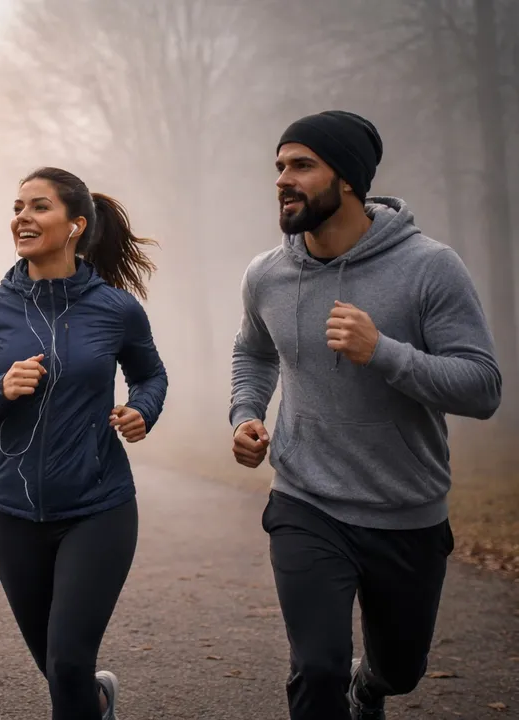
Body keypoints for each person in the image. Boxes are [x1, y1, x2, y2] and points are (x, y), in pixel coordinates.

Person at [229, 110, 502, 720]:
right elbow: (254, 351)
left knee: (400, 670)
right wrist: (245, 413)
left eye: (302, 165)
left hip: (405, 509)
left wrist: (383, 352)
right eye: (279, 166)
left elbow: (483, 387)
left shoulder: (430, 267)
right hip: (305, 501)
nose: (282, 179)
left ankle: (370, 687)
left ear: (348, 178)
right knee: (317, 667)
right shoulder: (267, 274)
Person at [0, 167, 169, 720]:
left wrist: (142, 410)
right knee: (62, 673)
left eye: (39, 207)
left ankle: (88, 696)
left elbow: (151, 376)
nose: (22, 217)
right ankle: (97, 701)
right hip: (13, 516)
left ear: (75, 225)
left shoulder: (116, 309)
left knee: (66, 664)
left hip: (98, 508)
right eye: (18, 207)